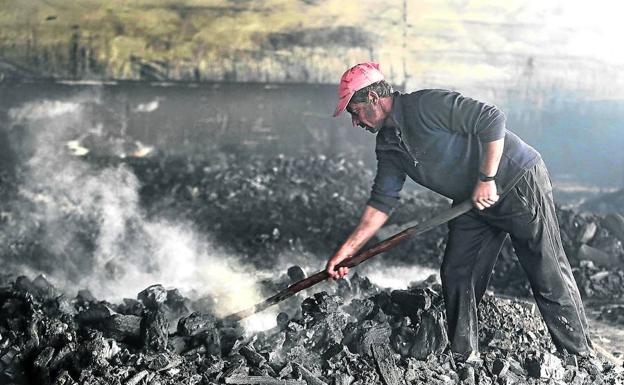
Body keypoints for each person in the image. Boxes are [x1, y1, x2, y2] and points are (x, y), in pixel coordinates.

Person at [325, 62, 593, 361]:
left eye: (354, 111)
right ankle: (465, 354)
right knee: (457, 270)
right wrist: (346, 252)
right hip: (471, 200)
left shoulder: (425, 104)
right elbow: (382, 202)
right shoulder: (388, 145)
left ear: (373, 98)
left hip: (516, 181)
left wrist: (486, 179)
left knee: (546, 271)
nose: (355, 121)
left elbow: (492, 119)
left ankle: (581, 357)